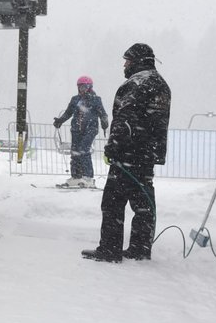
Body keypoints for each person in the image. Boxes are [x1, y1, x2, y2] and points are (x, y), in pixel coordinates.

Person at [83, 43, 170, 262]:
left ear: (138, 61)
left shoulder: (137, 84)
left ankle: (110, 249)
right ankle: (140, 248)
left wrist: (113, 146)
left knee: (112, 201)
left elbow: (126, 120)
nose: (125, 65)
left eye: (128, 61)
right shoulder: (161, 84)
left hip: (128, 154)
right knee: (143, 204)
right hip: (148, 154)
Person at [53, 75, 109, 187]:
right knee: (75, 151)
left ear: (89, 87)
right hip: (76, 129)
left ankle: (88, 176)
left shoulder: (95, 100)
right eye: (80, 87)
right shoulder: (75, 99)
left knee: (84, 149)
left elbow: (102, 113)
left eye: (84, 87)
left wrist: (104, 122)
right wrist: (60, 120)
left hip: (90, 129)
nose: (81, 89)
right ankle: (76, 176)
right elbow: (68, 113)